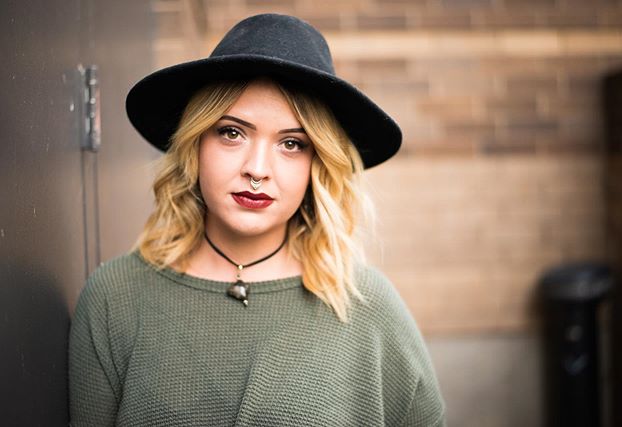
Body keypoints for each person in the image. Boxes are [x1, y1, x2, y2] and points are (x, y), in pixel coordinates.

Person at [68, 13, 446, 426]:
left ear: (317, 165)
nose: (258, 169)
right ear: (196, 144)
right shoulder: (113, 300)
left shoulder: (369, 308)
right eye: (232, 132)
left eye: (291, 143)